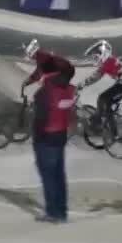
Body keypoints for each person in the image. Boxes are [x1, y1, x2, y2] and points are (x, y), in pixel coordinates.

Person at [31, 66, 75, 223]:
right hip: (60, 135)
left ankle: (53, 213)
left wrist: (36, 139)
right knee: (59, 175)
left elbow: (40, 118)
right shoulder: (69, 90)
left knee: (48, 176)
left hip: (45, 138)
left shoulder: (44, 93)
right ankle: (61, 212)